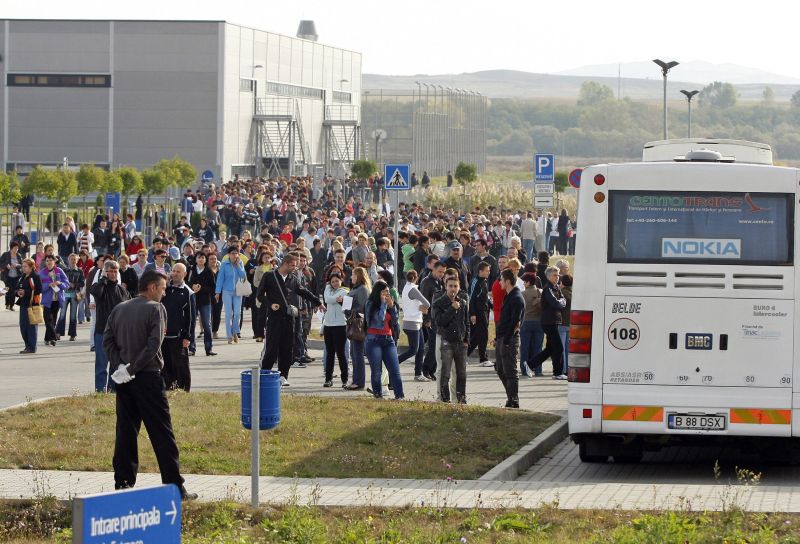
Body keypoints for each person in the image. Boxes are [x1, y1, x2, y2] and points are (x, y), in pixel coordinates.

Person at [103, 269, 196, 500]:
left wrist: (121, 368)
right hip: (148, 376)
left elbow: (108, 340)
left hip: (125, 380)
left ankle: (123, 482)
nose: (164, 293)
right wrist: (132, 368)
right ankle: (174, 486)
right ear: (152, 287)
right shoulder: (156, 308)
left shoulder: (119, 308)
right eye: (163, 288)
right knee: (162, 432)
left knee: (125, 431)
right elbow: (155, 344)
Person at [257, 253, 322, 386]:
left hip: (289, 318)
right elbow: (259, 295)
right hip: (274, 318)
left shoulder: (293, 278)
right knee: (271, 348)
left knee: (287, 348)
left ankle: (283, 376)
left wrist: (318, 302)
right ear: (285, 264)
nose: (295, 267)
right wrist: (270, 304)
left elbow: (303, 291)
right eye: (293, 265)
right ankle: (264, 375)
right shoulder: (269, 276)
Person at [90, 260, 130, 392]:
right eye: (110, 271)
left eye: (115, 271)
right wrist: (103, 278)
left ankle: (113, 389)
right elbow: (96, 292)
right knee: (101, 364)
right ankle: (100, 390)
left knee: (116, 363)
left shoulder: (122, 290)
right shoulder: (100, 287)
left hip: (118, 333)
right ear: (105, 272)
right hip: (102, 331)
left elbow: (129, 308)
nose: (113, 274)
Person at [364, 280, 404, 399]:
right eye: (384, 292)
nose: (387, 295)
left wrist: (392, 307)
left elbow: (395, 321)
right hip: (373, 340)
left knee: (395, 370)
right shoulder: (370, 303)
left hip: (388, 339)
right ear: (378, 293)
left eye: (388, 292)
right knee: (377, 371)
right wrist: (384, 304)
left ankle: (399, 396)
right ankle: (378, 395)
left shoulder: (389, 304)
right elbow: (380, 319)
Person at [433, 275, 470, 403]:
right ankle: (444, 398)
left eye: (455, 286)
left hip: (460, 341)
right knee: (445, 372)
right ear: (445, 286)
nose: (453, 289)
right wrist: (451, 309)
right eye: (450, 286)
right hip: (446, 340)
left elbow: (466, 322)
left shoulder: (463, 302)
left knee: (461, 373)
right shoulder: (439, 302)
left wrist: (466, 339)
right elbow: (439, 322)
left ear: (459, 287)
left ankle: (461, 399)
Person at [529, 266, 567, 380]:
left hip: (555, 320)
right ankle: (558, 372)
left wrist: (561, 302)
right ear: (549, 276)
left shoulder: (556, 288)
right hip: (548, 322)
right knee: (559, 347)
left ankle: (530, 364)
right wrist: (561, 302)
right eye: (555, 275)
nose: (557, 277)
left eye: (558, 275)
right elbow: (556, 303)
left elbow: (563, 300)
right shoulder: (548, 288)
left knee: (551, 348)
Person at [494, 269, 525, 408]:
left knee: (510, 371)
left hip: (510, 340)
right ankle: (510, 397)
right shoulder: (509, 295)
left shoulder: (517, 298)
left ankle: (514, 400)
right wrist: (497, 338)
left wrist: (506, 340)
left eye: (501, 279)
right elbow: (504, 320)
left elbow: (515, 322)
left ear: (507, 281)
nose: (500, 282)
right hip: (502, 338)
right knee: (500, 369)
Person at [161, 263, 194, 391]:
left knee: (180, 364)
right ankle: (169, 387)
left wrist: (187, 336)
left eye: (178, 271)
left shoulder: (187, 292)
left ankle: (183, 389)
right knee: (166, 364)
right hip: (164, 335)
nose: (175, 273)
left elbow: (190, 318)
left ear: (184, 274)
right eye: (173, 271)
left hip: (179, 336)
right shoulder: (165, 289)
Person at [397, 269, 431, 382]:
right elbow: (427, 303)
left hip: (414, 322)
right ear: (417, 278)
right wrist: (421, 307)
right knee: (413, 350)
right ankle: (393, 363)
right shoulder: (413, 289)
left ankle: (418, 373)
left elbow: (413, 303)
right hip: (412, 323)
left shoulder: (406, 288)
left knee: (421, 348)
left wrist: (419, 307)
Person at [344, 267, 371, 390]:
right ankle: (356, 380)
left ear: (358, 276)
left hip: (359, 325)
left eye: (353, 275)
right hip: (353, 323)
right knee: (354, 354)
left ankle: (359, 382)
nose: (351, 277)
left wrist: (347, 304)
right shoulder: (356, 288)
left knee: (358, 354)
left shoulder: (362, 289)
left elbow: (363, 307)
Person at [322, 272, 349, 388]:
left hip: (340, 325)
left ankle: (345, 380)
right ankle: (328, 379)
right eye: (332, 281)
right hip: (328, 325)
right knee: (329, 353)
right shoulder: (327, 290)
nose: (335, 283)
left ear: (341, 281)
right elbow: (327, 299)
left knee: (341, 353)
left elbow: (346, 305)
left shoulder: (345, 292)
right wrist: (334, 298)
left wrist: (337, 299)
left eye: (337, 281)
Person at [419, 261, 445, 381]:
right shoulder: (426, 282)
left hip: (438, 317)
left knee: (437, 344)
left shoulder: (439, 281)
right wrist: (426, 319)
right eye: (439, 271)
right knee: (433, 344)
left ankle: (432, 369)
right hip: (430, 318)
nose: (441, 274)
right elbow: (423, 302)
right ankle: (425, 369)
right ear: (433, 269)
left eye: (443, 272)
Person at [214, 246, 246, 343]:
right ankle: (229, 336)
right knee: (229, 314)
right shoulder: (224, 264)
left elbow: (243, 276)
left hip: (238, 291)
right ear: (228, 254)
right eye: (232, 253)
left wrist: (238, 266)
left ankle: (235, 332)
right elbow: (220, 279)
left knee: (237, 313)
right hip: (226, 291)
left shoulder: (240, 263)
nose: (234, 255)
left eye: (236, 253)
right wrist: (217, 292)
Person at [187, 252, 217, 356]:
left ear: (205, 260)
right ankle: (191, 348)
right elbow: (187, 282)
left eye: (203, 257)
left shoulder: (209, 271)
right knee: (191, 324)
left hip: (205, 300)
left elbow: (213, 287)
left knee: (207, 325)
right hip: (193, 299)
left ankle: (208, 348)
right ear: (195, 259)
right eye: (199, 257)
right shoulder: (191, 270)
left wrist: (201, 288)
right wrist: (192, 287)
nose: (201, 259)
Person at [39, 254, 69, 347]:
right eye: (47, 261)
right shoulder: (42, 273)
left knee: (53, 320)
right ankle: (54, 337)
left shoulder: (59, 271)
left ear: (54, 262)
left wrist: (59, 283)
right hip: (47, 300)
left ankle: (47, 338)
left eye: (50, 260)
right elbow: (39, 287)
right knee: (47, 319)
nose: (48, 262)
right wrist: (48, 285)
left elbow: (66, 284)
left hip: (57, 299)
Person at [520, 271, 544, 377]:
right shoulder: (541, 292)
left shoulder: (522, 294)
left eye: (524, 282)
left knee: (525, 347)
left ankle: (525, 370)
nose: (523, 284)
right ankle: (538, 370)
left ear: (528, 282)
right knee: (538, 348)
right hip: (539, 322)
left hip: (526, 322)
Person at [468, 261, 492, 367]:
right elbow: (471, 297)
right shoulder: (475, 281)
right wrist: (472, 313)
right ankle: (483, 358)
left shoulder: (484, 281)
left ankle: (482, 358)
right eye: (487, 270)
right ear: (480, 271)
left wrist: (492, 306)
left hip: (485, 311)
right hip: (478, 313)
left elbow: (485, 297)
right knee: (479, 336)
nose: (489, 272)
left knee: (481, 336)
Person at [57, 253, 85, 341]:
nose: (73, 261)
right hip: (65, 293)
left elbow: (82, 282)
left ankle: (72, 334)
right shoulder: (65, 270)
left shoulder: (80, 271)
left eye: (74, 259)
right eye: (71, 259)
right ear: (68, 260)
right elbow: (60, 280)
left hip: (74, 294)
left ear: (77, 261)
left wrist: (75, 285)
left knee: (73, 315)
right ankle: (58, 333)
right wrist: (66, 284)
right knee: (62, 313)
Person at [15, 258, 41, 354]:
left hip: (32, 305)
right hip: (23, 304)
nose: (23, 268)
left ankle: (32, 347)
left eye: (25, 266)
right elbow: (17, 288)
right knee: (23, 326)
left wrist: (25, 292)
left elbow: (38, 290)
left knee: (31, 327)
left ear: (31, 267)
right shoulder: (23, 276)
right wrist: (18, 292)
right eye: (23, 266)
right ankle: (27, 345)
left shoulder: (35, 276)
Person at [1, 241, 23, 310]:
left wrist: (17, 265)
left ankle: (11, 305)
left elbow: (22, 265)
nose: (17, 249)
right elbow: (0, 263)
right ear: (11, 248)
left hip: (16, 276)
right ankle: (7, 304)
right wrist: (5, 266)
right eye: (15, 248)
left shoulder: (18, 255)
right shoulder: (5, 254)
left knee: (14, 290)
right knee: (8, 289)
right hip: (7, 276)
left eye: (17, 248)